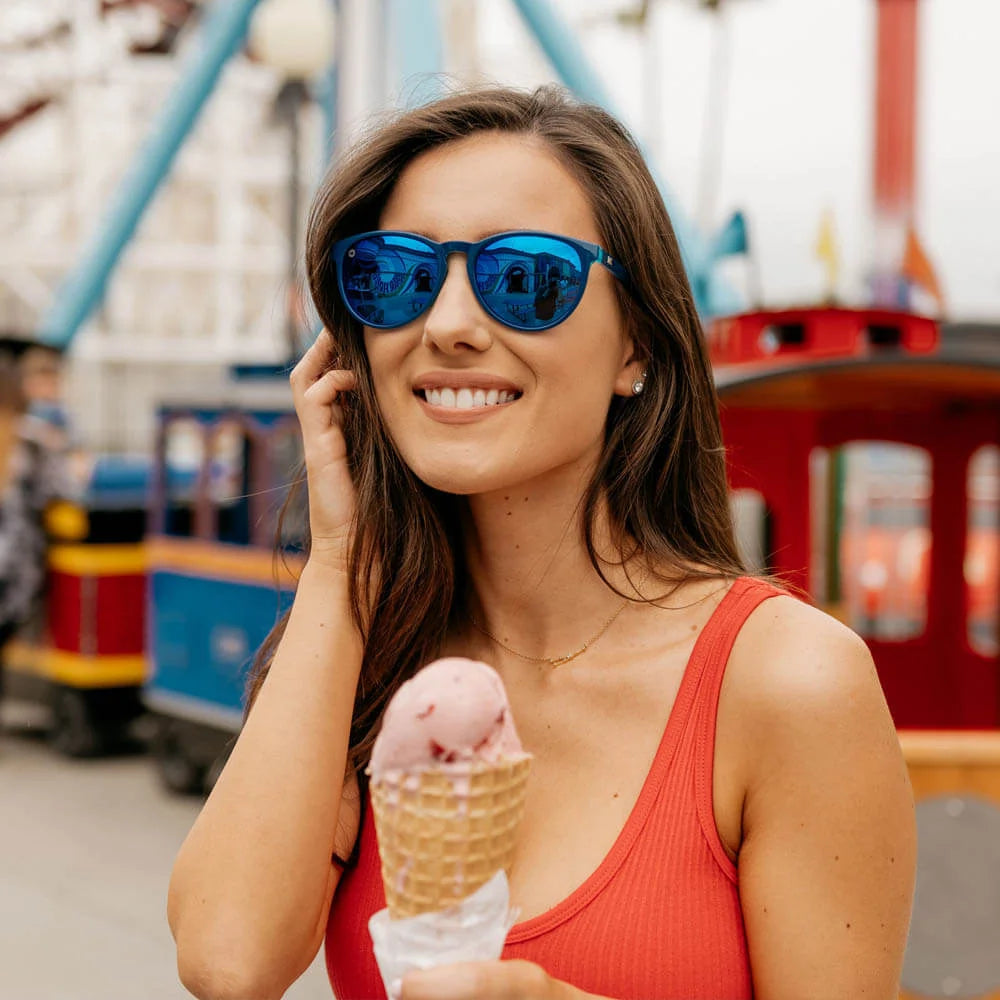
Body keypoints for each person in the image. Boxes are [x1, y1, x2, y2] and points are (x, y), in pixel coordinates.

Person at [167, 86, 916, 1000]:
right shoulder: (370, 663)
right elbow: (227, 962)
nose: (445, 323)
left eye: (525, 278)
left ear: (636, 344)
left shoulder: (788, 683)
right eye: (395, 275)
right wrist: (338, 561)